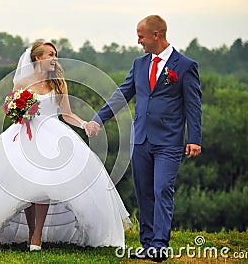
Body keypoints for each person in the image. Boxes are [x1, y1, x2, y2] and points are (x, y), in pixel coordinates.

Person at [0, 40, 132, 251]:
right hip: (25, 136)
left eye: (55, 54)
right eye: (50, 54)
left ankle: (37, 235)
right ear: (38, 58)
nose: (55, 58)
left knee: (44, 183)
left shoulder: (59, 83)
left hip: (53, 137)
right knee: (26, 184)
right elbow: (11, 111)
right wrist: (19, 112)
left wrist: (84, 124)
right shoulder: (22, 83)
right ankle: (30, 231)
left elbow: (67, 114)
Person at [85, 15, 202, 261]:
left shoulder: (185, 65)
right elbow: (122, 95)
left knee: (162, 189)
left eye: (141, 36)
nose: (139, 41)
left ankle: (160, 246)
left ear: (156, 35)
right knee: (144, 192)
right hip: (140, 140)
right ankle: (147, 244)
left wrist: (195, 138)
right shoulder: (139, 64)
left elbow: (194, 105)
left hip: (169, 142)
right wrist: (98, 119)